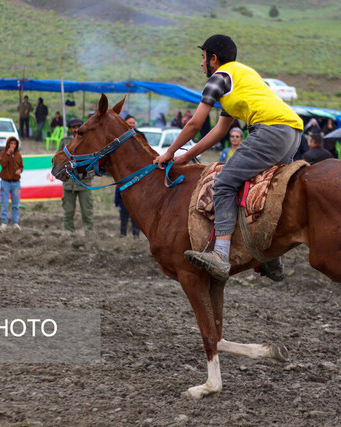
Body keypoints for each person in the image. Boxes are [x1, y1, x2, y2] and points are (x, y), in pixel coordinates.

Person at [153, 34, 303, 282]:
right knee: (257, 188)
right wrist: (187, 155)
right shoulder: (242, 76)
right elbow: (220, 130)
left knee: (222, 183)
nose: (201, 64)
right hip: (292, 132)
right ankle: (271, 257)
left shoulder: (218, 78)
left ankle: (220, 254)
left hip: (269, 131)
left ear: (213, 58)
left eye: (202, 58)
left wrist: (169, 152)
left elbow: (195, 123)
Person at [58, 118, 94, 235]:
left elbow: (93, 162)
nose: (76, 129)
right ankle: (68, 232)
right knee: (68, 211)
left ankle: (89, 233)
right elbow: (59, 160)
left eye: (79, 126)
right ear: (70, 129)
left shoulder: (88, 142)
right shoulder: (64, 142)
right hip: (69, 184)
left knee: (87, 211)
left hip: (84, 182)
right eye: (74, 127)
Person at [115, 115, 145, 237]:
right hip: (124, 175)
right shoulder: (120, 138)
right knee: (123, 205)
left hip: (138, 175)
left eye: (133, 122)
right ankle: (122, 233)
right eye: (129, 122)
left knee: (137, 207)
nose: (132, 124)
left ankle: (136, 234)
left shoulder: (140, 135)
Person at [0, 136, 23, 231]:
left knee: (16, 204)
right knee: (4, 203)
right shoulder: (3, 153)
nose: (13, 146)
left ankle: (15, 222)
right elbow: (3, 164)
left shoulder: (18, 155)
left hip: (16, 183)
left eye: (14, 144)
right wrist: (8, 155)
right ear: (8, 144)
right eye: (11, 143)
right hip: (5, 182)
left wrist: (20, 170)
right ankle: (4, 222)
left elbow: (21, 166)